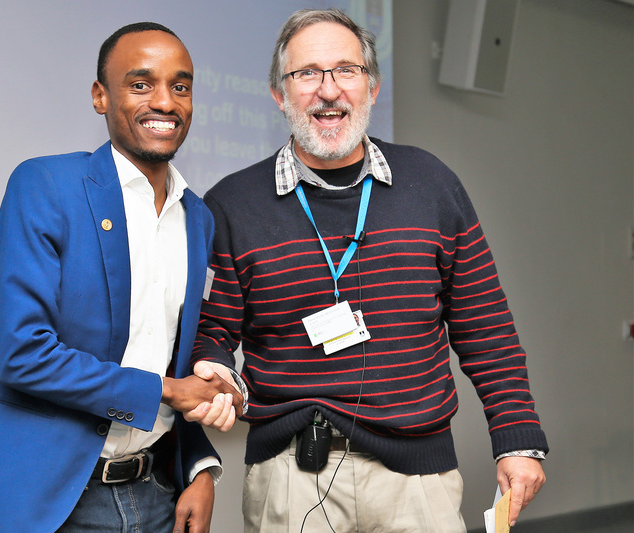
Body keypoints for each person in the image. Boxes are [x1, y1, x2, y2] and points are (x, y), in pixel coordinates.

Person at [192, 8, 547, 532]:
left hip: (418, 481)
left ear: (372, 87)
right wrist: (214, 368)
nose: (328, 90)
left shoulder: (431, 184)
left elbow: (485, 326)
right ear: (278, 94)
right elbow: (212, 330)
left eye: (346, 70)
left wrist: (516, 435)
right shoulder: (231, 204)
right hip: (291, 475)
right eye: (307, 73)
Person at [0, 22, 242, 533]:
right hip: (50, 503)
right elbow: (22, 355)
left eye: (181, 86)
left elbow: (171, 351)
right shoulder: (45, 185)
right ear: (101, 96)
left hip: (156, 497)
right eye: (141, 84)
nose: (165, 102)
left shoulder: (198, 218)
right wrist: (170, 392)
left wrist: (200, 465)